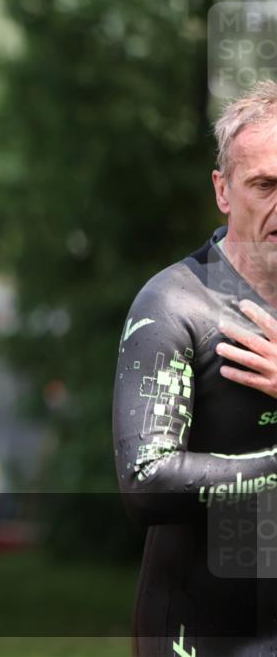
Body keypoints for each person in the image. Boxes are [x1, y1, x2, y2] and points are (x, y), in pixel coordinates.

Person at [113, 80, 277, 656]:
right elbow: (147, 484)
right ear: (224, 191)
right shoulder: (176, 305)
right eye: (265, 184)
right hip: (203, 635)